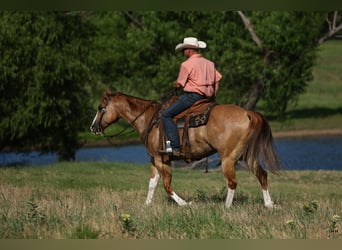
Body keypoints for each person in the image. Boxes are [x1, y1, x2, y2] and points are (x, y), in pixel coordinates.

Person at [160, 37, 222, 156]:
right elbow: (217, 81)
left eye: (184, 50)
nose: (183, 52)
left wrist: (175, 84)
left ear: (189, 50)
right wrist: (213, 96)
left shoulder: (186, 64)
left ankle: (175, 147)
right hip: (207, 98)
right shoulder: (210, 63)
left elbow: (180, 83)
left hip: (192, 97)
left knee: (166, 115)